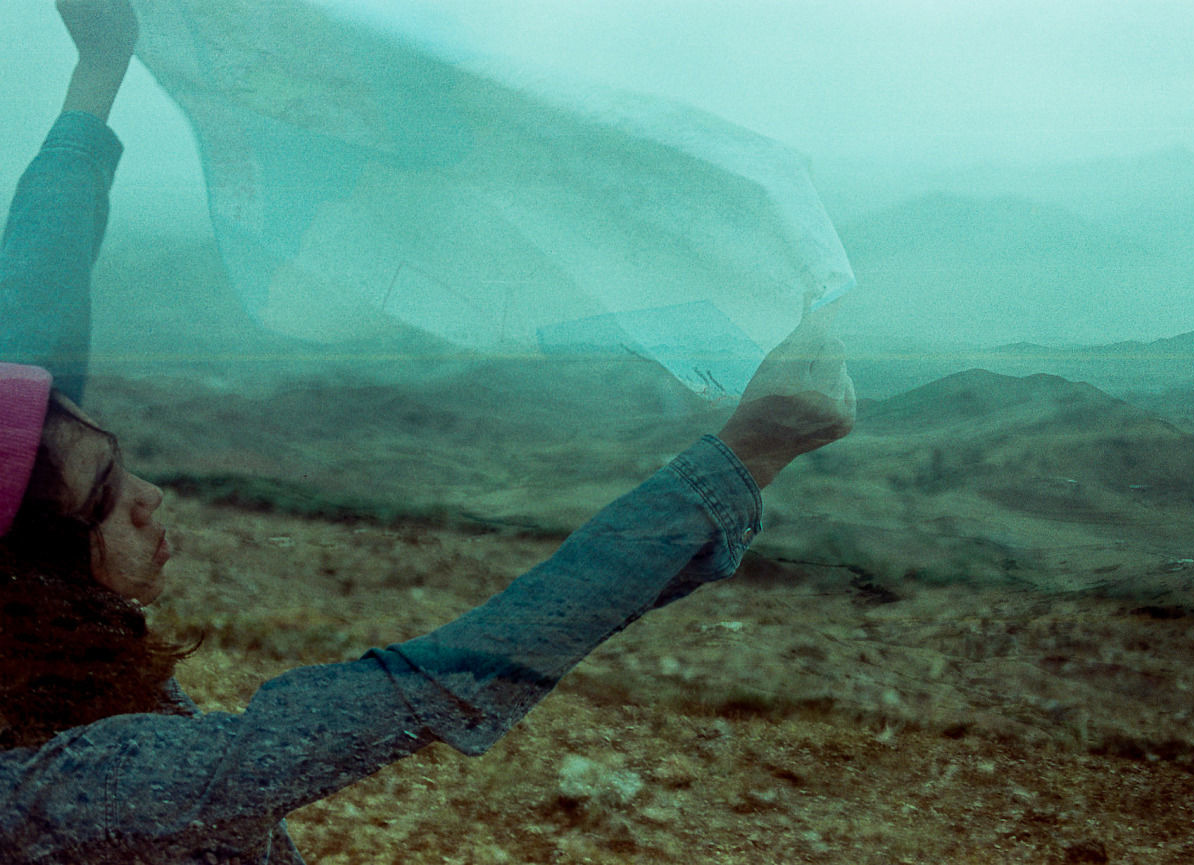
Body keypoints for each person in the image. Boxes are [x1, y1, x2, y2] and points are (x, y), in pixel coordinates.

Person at [0, 2, 856, 862]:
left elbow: (31, 323)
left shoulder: (27, 624)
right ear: (39, 574)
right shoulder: (80, 787)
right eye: (110, 497)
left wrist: (96, 77)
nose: (151, 498)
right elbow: (430, 682)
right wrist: (743, 459)